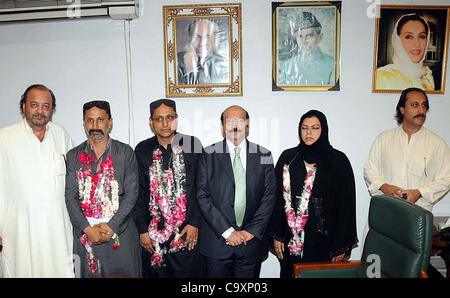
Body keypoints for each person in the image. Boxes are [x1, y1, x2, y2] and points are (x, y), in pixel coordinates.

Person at [270, 110, 358, 278]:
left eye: (315, 128)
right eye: (304, 128)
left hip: (324, 242)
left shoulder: (338, 160)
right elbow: (276, 199)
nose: (309, 132)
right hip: (292, 241)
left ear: (323, 130)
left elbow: (346, 206)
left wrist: (340, 245)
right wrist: (277, 235)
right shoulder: (289, 157)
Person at [0, 84, 74, 277]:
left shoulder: (61, 135)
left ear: (52, 110)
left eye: (46, 106)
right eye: (34, 105)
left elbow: (74, 183)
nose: (40, 111)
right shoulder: (4, 138)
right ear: (23, 106)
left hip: (56, 229)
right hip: (18, 229)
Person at [196, 105, 276, 278]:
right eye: (229, 120)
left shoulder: (264, 155)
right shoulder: (208, 154)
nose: (234, 125)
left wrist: (251, 231)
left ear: (247, 126)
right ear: (222, 126)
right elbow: (202, 196)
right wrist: (227, 232)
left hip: (251, 243)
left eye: (239, 120)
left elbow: (269, 198)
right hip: (217, 244)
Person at [65, 100, 141, 277]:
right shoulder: (74, 155)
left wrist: (112, 226)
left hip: (119, 234)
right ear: (84, 123)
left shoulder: (125, 152)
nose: (95, 126)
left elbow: (132, 194)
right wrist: (87, 229)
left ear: (110, 122)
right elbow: (70, 196)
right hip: (86, 235)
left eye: (100, 120)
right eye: (90, 120)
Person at [133, 99, 204, 278]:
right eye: (159, 119)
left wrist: (195, 223)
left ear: (176, 118)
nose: (165, 124)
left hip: (186, 231)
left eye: (169, 117)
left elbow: (202, 188)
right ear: (151, 122)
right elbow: (139, 193)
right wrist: (142, 230)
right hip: (154, 233)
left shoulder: (192, 145)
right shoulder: (142, 149)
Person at [364, 88, 450, 211]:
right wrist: (384, 187)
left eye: (424, 105)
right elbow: (369, 169)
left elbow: (446, 178)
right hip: (386, 211)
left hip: (418, 214)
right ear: (402, 109)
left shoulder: (437, 144)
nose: (421, 110)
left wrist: (420, 192)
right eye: (415, 105)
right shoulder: (384, 139)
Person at [376, 14, 435, 91]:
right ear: (397, 41)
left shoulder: (427, 75)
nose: (417, 43)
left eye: (422, 36)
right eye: (409, 37)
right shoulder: (383, 77)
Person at [278, 11, 335, 86]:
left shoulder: (332, 64)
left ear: (320, 37)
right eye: (300, 36)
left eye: (309, 35)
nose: (304, 41)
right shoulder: (287, 65)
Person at [177, 18, 229, 85]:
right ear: (190, 38)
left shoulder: (225, 64)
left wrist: (191, 70)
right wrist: (191, 71)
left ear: (217, 39)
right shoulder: (176, 62)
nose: (201, 43)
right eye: (196, 37)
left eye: (208, 37)